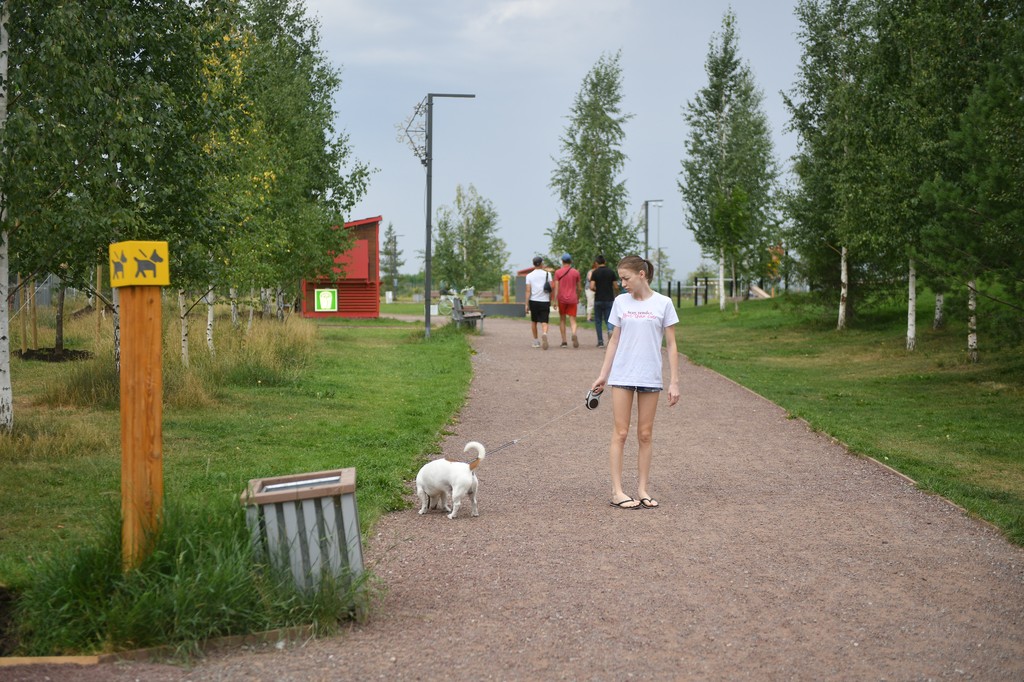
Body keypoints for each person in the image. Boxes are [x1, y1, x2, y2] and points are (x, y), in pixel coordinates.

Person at [590, 255, 680, 510]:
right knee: (621, 433)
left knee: (645, 434)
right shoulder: (620, 302)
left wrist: (674, 381)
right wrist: (603, 375)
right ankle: (617, 491)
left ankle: (642, 489)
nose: (623, 283)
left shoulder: (664, 303)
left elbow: (672, 345)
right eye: (621, 278)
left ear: (642, 274)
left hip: (650, 375)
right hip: (622, 375)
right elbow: (615, 341)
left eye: (626, 278)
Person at [553, 253, 582, 348]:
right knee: (573, 320)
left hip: (561, 299)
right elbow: (579, 288)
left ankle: (564, 341)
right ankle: (574, 333)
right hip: (573, 298)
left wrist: (555, 300)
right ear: (571, 261)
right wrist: (578, 297)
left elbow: (556, 287)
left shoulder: (558, 272)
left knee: (562, 319)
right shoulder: (576, 272)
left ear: (562, 261)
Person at [589, 254, 618, 348]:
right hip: (609, 299)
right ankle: (610, 331)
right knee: (609, 318)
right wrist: (616, 294)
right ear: (605, 262)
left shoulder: (595, 272)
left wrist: (596, 290)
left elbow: (591, 286)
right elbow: (616, 286)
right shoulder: (611, 272)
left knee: (598, 321)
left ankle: (600, 342)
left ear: (596, 263)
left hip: (598, 299)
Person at [524, 256, 552, 349]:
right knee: (544, 321)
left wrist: (526, 304)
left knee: (534, 321)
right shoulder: (548, 274)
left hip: (533, 301)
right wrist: (551, 300)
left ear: (533, 264)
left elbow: (528, 290)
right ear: (541, 263)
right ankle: (544, 333)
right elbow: (550, 288)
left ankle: (536, 341)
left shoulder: (529, 275)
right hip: (545, 300)